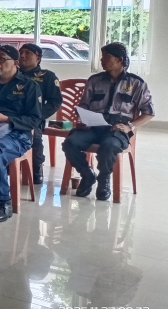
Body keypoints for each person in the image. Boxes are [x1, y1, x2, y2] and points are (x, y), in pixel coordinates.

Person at [63, 43, 154, 201]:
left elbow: (149, 112)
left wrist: (130, 126)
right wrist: (81, 118)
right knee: (70, 143)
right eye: (102, 56)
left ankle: (104, 179)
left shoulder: (136, 83)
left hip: (117, 128)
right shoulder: (94, 80)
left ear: (119, 60)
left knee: (109, 145)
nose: (101, 60)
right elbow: (83, 105)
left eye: (106, 57)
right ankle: (87, 174)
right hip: (93, 126)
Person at [0, 43, 62, 183]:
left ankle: (36, 167)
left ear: (38, 58)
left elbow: (54, 102)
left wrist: (38, 115)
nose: (23, 55)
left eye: (28, 53)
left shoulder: (46, 77)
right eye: (21, 52)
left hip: (27, 119)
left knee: (34, 133)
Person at [0, 45, 41, 223]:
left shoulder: (29, 86)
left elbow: (35, 119)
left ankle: (3, 202)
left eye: (1, 58)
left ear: (15, 62)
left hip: (17, 134)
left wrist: (7, 119)